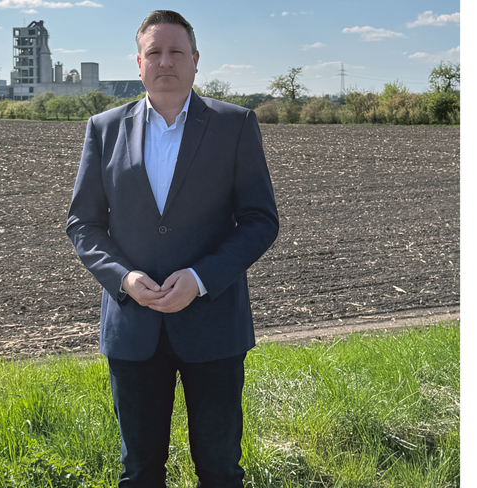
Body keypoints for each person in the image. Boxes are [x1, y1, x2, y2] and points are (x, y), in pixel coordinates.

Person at [66, 10, 278, 487]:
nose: (166, 62)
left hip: (213, 326)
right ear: (138, 63)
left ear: (195, 61)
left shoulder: (234, 124)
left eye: (176, 52)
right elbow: (83, 223)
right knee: (139, 472)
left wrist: (201, 279)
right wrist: (124, 278)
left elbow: (261, 220)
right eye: (154, 52)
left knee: (220, 470)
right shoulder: (104, 128)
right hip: (133, 328)